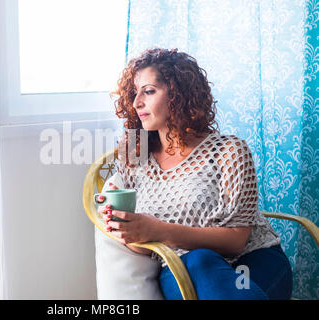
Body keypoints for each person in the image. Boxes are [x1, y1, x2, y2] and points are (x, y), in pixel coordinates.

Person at [95, 47, 293, 300]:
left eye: (149, 91)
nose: (137, 103)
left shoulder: (229, 150)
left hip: (251, 263)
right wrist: (119, 222)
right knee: (199, 260)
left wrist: (158, 229)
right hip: (183, 269)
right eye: (134, 93)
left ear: (179, 94)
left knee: (202, 261)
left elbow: (236, 241)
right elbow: (142, 246)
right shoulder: (135, 156)